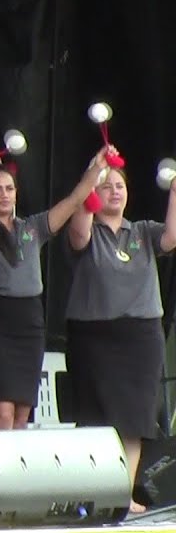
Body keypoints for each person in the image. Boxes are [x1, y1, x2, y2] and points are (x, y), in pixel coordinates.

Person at [0, 147, 109, 430]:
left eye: (9, 189)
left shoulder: (32, 227)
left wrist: (97, 168)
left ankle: (15, 462)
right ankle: (0, 461)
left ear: (16, 194)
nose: (4, 195)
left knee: (21, 416)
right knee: (3, 413)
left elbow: (73, 201)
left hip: (28, 323)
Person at [65, 163, 176, 514]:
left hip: (140, 337)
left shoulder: (142, 230)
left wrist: (174, 192)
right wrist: (92, 175)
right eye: (107, 186)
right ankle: (92, 492)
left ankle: (122, 493)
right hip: (95, 337)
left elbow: (171, 237)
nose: (114, 191)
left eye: (120, 186)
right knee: (96, 419)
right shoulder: (88, 230)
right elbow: (79, 230)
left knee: (134, 421)